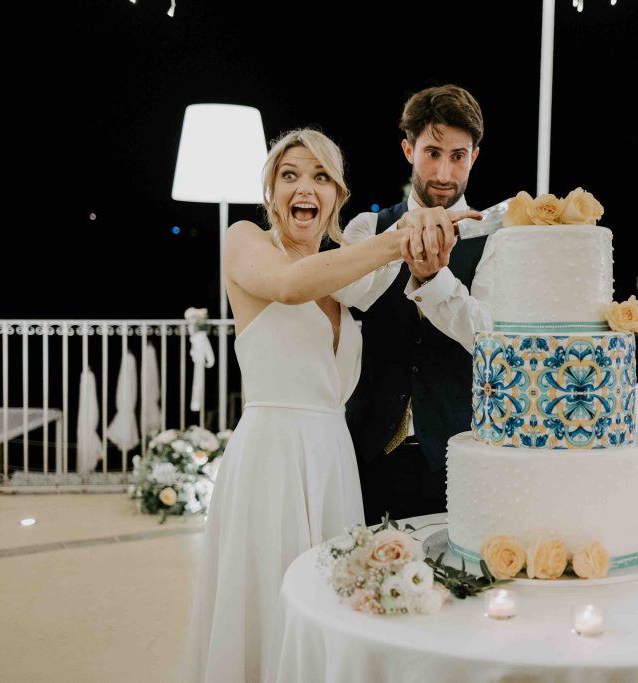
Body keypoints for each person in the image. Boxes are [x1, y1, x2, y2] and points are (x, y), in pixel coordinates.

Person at [183, 128, 468, 682]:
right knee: (268, 602)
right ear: (271, 191)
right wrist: (395, 237)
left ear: (337, 196)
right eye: (289, 175)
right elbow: (288, 287)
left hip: (335, 458)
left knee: (335, 605)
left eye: (319, 177)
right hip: (273, 457)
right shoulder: (247, 241)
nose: (303, 187)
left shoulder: (340, 276)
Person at [343, 84, 497, 524]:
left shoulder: (495, 239)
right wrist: (402, 238)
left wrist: (434, 278)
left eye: (458, 156)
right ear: (408, 149)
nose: (444, 172)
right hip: (367, 448)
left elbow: (488, 337)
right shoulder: (367, 226)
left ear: (474, 157)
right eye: (432, 153)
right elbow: (354, 295)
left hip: (458, 454)